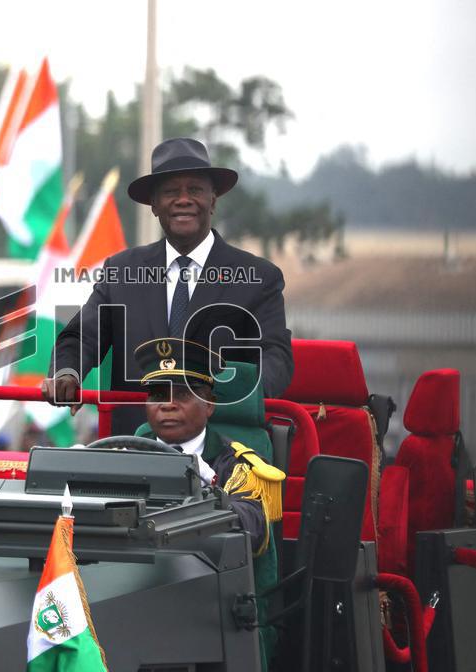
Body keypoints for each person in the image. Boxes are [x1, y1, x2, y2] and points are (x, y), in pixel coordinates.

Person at [43, 137, 293, 435]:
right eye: (171, 192)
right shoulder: (121, 271)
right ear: (154, 205)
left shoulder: (258, 278)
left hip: (222, 451)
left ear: (213, 200)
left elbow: (275, 358)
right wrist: (67, 372)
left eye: (195, 190)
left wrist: (220, 396)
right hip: (134, 447)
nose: (183, 199)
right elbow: (79, 338)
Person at [134, 337, 283, 554]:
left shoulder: (239, 465)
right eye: (158, 395)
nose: (167, 405)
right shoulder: (128, 454)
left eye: (184, 395)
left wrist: (208, 492)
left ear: (210, 405)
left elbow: (253, 529)